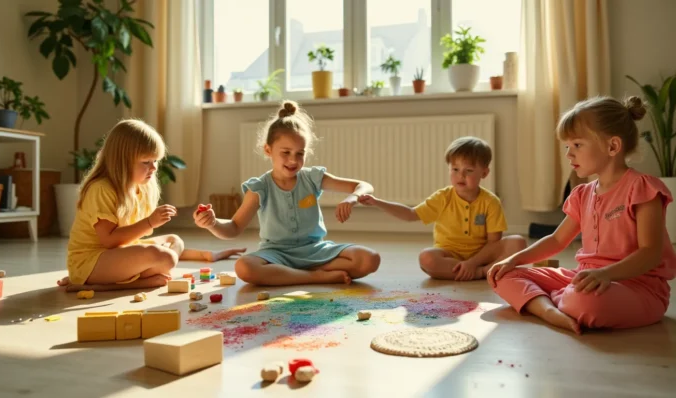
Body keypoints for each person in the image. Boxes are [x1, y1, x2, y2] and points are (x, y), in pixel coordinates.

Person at [487, 96, 676, 334]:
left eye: (577, 145)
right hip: (584, 279)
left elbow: (650, 253)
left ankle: (549, 302)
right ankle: (551, 311)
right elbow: (557, 240)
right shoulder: (582, 194)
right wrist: (514, 259)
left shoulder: (643, 188)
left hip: (638, 288)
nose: (569, 154)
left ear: (612, 147)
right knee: (501, 275)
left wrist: (605, 274)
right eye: (567, 146)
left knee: (586, 302)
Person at [194, 100, 380, 286]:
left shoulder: (312, 178)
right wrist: (213, 224)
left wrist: (352, 197)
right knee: (244, 267)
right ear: (268, 150)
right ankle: (315, 276)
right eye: (286, 152)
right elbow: (234, 227)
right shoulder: (260, 188)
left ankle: (294, 274)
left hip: (316, 250)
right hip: (276, 254)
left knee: (370, 259)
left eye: (300, 153)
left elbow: (363, 185)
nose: (293, 160)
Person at [57, 119, 245, 292]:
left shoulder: (141, 187)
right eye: (146, 162)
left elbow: (131, 242)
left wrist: (207, 255)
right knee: (166, 257)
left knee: (174, 240)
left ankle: (102, 279)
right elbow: (110, 241)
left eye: (155, 161)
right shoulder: (101, 189)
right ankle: (99, 284)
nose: (154, 168)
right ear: (121, 162)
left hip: (115, 256)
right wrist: (149, 222)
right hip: (91, 260)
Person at [359, 136, 526, 281]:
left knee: (518, 242)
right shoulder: (442, 197)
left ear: (484, 173)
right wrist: (377, 202)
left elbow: (493, 243)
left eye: (468, 170)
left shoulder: (491, 202)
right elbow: (410, 214)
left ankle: (480, 270)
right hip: (449, 256)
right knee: (427, 258)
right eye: (455, 169)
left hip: (482, 257)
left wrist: (472, 263)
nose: (461, 175)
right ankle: (481, 273)